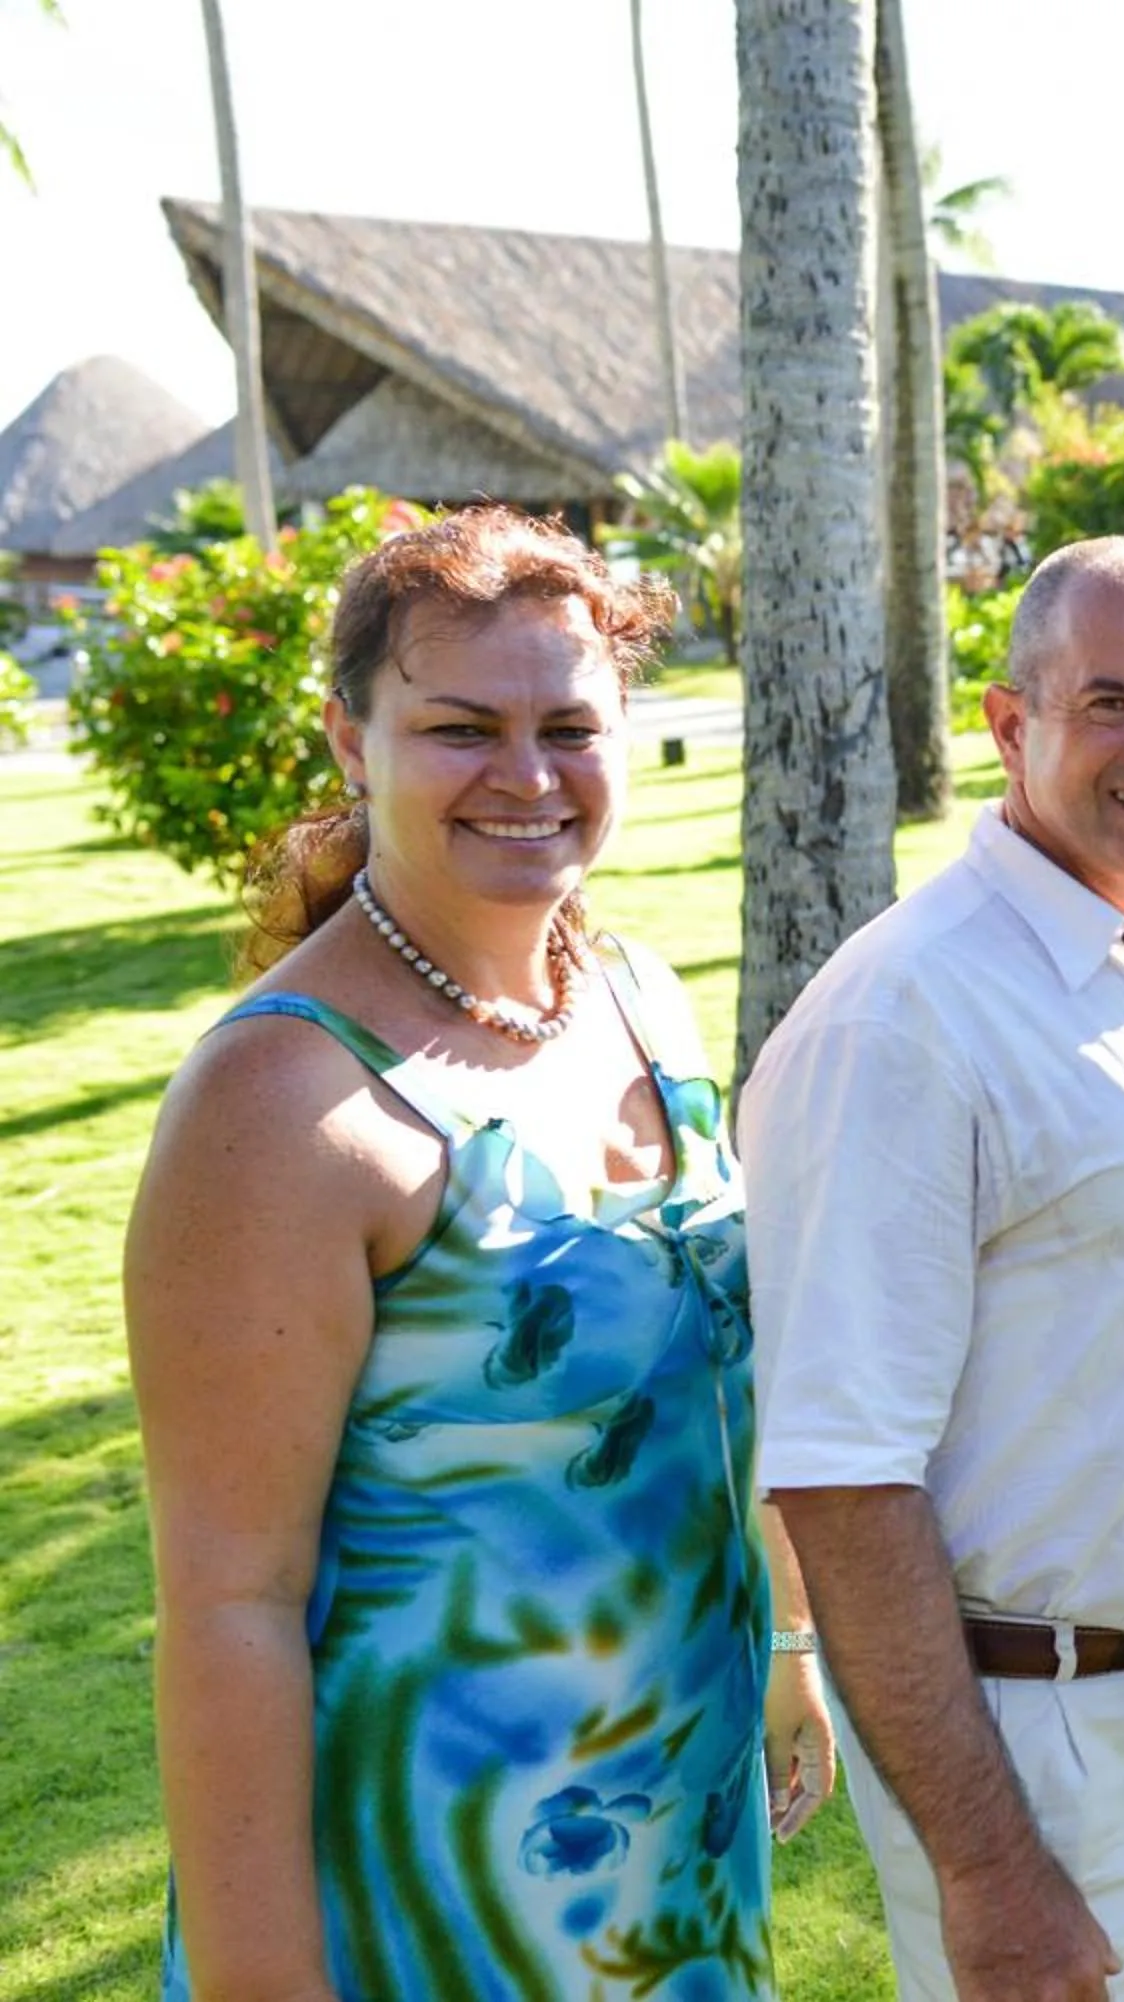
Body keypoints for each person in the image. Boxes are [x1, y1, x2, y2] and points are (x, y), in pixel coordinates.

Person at [127, 506, 832, 2000]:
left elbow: (716, 1383)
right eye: (460, 727)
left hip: (670, 1861)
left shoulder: (639, 995)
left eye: (568, 726)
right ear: (348, 738)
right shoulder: (280, 1106)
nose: (526, 776)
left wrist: (788, 1644)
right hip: (425, 1899)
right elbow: (227, 1604)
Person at [745, 538, 1124, 2002]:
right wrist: (989, 1865)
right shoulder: (903, 1020)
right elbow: (839, 1474)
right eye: (1114, 704)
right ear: (1013, 726)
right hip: (1043, 1743)